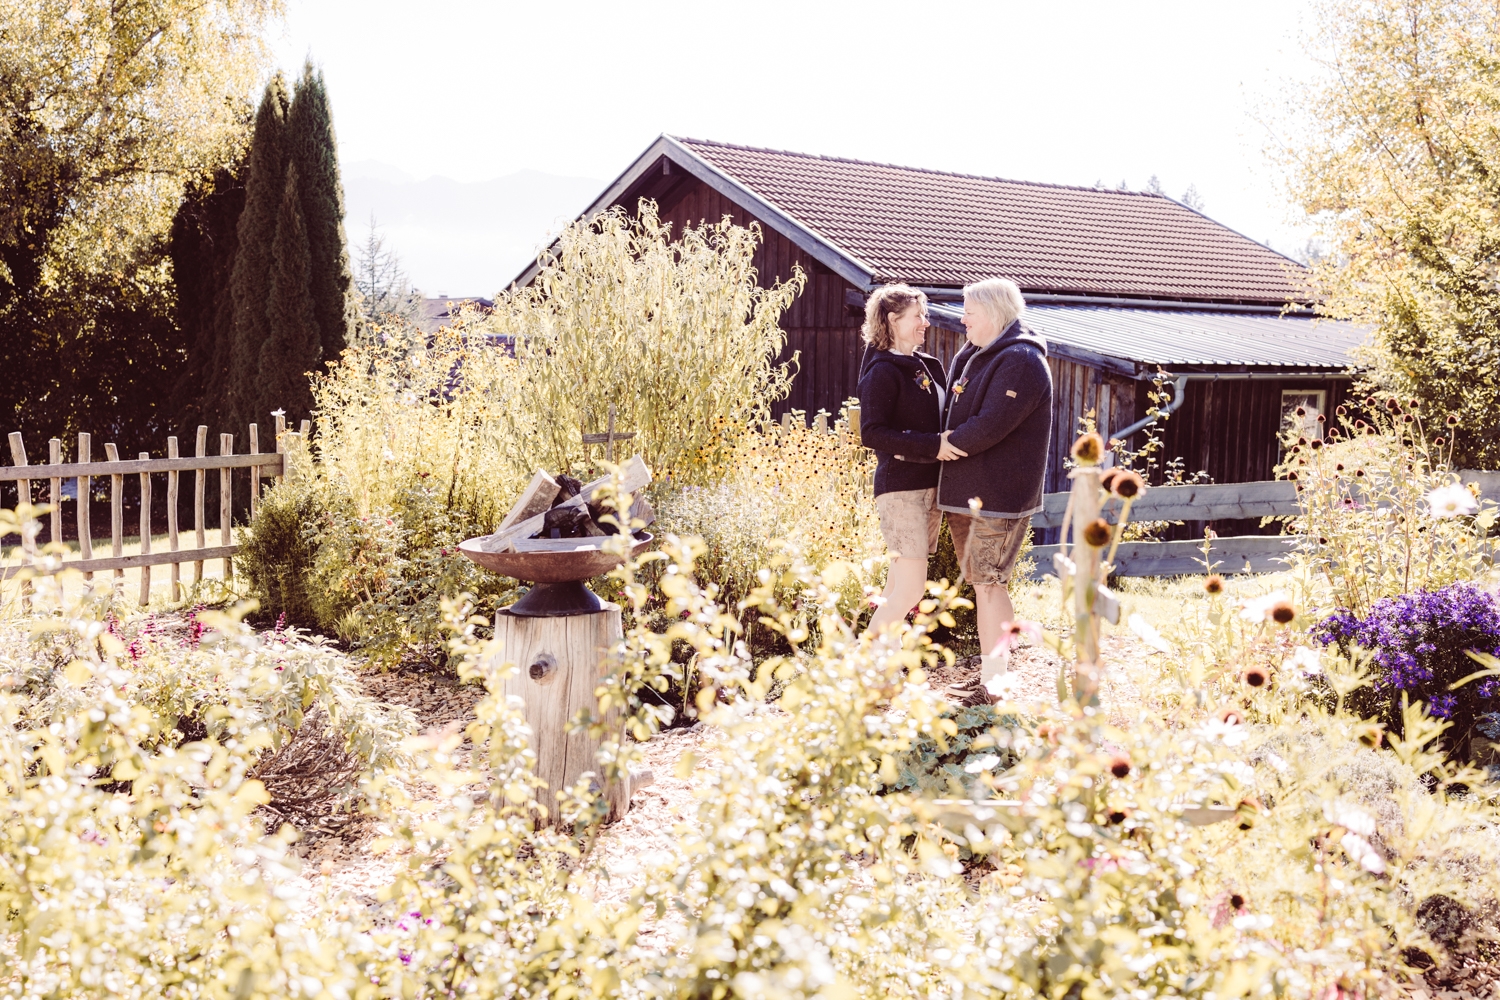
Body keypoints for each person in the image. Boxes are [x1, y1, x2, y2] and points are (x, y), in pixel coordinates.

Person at [933, 277, 1053, 699]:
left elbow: (992, 424)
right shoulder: (977, 355)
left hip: (998, 498)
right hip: (969, 492)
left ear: (995, 313)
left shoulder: (1022, 360)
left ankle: (997, 683)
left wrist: (945, 445)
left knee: (990, 583)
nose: (962, 319)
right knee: (982, 582)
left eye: (969, 311)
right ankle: (991, 674)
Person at [856, 284, 949, 636]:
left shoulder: (930, 366)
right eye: (917, 316)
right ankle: (861, 668)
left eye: (924, 315)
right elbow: (873, 433)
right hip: (900, 491)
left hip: (930, 488)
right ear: (893, 320)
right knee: (910, 590)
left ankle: (882, 671)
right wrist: (932, 446)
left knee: (896, 590)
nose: (925, 322)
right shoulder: (882, 371)